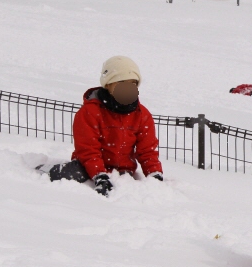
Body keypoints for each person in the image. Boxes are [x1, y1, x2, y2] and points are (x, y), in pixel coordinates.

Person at [40, 56, 163, 196]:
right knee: (71, 175)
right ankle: (45, 172)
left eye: (132, 83)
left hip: (123, 172)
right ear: (108, 84)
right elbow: (87, 150)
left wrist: (154, 173)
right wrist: (99, 175)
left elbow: (147, 151)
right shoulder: (89, 113)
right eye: (121, 82)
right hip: (87, 168)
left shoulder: (142, 115)